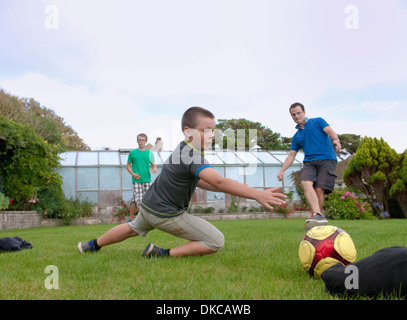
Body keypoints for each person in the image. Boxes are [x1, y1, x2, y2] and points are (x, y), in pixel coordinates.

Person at [78, 106, 287, 257]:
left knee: (132, 227)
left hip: (149, 206)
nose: (211, 135)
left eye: (213, 130)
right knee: (216, 241)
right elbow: (219, 183)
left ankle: (91, 245)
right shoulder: (193, 156)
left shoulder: (182, 149)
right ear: (188, 131)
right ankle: (161, 254)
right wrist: (258, 194)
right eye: (206, 130)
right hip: (166, 214)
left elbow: (201, 181)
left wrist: (220, 185)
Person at [277, 102, 341, 230]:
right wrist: (282, 170)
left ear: (304, 112)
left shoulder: (317, 122)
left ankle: (317, 215)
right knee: (306, 183)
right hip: (310, 162)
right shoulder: (297, 136)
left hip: (327, 159)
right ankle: (317, 215)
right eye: (293, 115)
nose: (296, 116)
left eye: (298, 113)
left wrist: (336, 140)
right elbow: (291, 155)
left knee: (319, 189)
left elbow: (329, 131)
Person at [126, 133, 158, 221]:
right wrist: (133, 174)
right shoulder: (132, 153)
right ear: (137, 141)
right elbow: (128, 166)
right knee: (139, 199)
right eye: (139, 140)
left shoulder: (150, 153)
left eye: (143, 140)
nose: (141, 142)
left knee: (142, 200)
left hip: (147, 180)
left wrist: (154, 168)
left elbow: (153, 165)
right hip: (136, 180)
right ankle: (143, 219)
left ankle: (130, 217)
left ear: (146, 141)